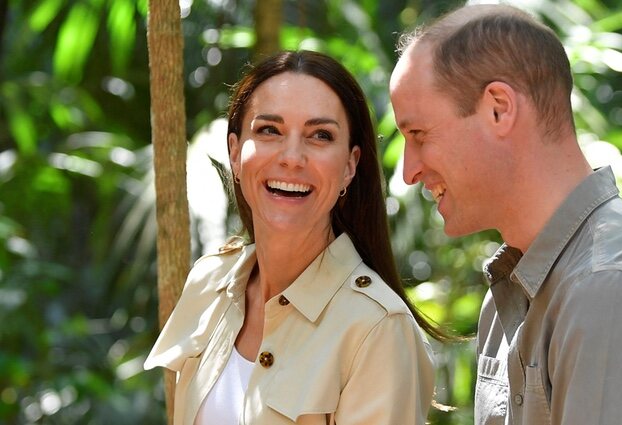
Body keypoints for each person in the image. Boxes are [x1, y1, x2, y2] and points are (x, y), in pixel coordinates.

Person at [389, 4, 622, 425]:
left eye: (418, 134)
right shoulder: (513, 290)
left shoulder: (613, 286)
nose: (409, 171)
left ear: (499, 108)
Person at [144, 50, 438, 425]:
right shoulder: (209, 284)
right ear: (235, 153)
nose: (292, 157)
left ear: (350, 166)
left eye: (320, 135)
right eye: (269, 130)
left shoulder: (377, 328)